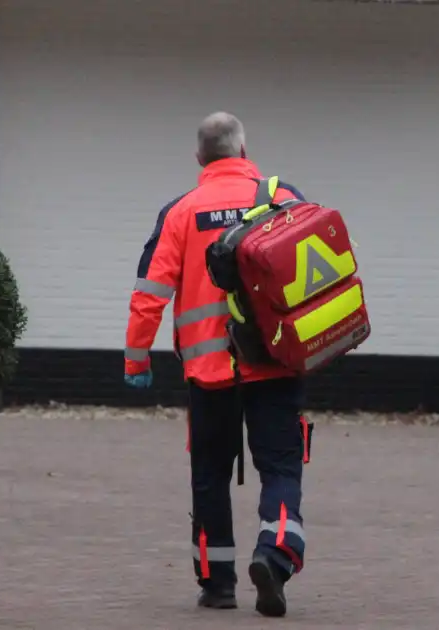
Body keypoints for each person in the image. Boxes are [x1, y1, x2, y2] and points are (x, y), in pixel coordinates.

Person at [123, 112, 310, 618]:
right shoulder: (282, 199)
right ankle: (275, 553)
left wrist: (136, 358)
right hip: (273, 363)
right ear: (245, 152)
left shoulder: (180, 212)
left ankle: (218, 584)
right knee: (281, 465)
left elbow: (149, 294)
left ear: (199, 158)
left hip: (208, 375)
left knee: (209, 475)